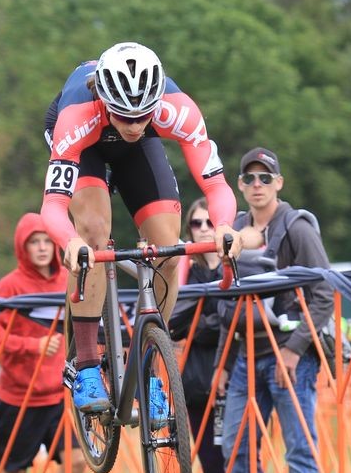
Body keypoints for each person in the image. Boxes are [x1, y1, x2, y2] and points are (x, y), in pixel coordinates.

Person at [40, 42, 241, 422]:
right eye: (124, 116)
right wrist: (71, 242)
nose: (133, 125)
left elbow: (216, 186)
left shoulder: (177, 110)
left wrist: (225, 227)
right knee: (94, 235)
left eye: (142, 116)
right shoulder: (77, 114)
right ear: (104, 99)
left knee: (168, 245)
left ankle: (147, 358)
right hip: (86, 145)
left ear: (155, 104)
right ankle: (85, 365)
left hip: (138, 152)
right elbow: (51, 207)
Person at [221, 147, 333, 473]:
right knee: (235, 448)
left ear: (278, 183)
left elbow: (324, 295)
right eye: (250, 178)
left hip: (290, 354)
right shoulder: (234, 230)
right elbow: (227, 299)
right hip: (245, 355)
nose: (257, 185)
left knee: (299, 448)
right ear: (239, 185)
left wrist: (295, 348)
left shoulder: (297, 227)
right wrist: (224, 362)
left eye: (265, 178)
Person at [0, 214, 86, 473]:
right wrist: (33, 347)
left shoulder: (66, 280)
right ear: (21, 248)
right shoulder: (9, 286)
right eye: (33, 242)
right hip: (20, 399)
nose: (41, 248)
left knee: (78, 462)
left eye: (46, 241)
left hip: (58, 397)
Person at [167, 198, 227, 473]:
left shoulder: (236, 265)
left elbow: (237, 321)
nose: (204, 229)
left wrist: (200, 323)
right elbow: (173, 323)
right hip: (195, 382)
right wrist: (211, 322)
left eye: (210, 222)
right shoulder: (186, 270)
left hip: (232, 375)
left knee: (241, 455)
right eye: (196, 223)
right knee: (209, 460)